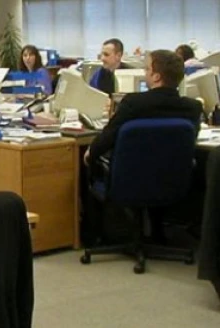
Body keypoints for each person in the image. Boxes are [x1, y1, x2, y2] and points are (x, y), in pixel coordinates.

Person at [83, 50, 203, 244]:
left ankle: (96, 237)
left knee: (88, 168)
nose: (145, 73)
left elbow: (108, 136)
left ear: (156, 77)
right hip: (172, 178)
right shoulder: (192, 107)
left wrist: (91, 152)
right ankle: (157, 231)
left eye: (147, 69)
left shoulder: (133, 103)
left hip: (130, 178)